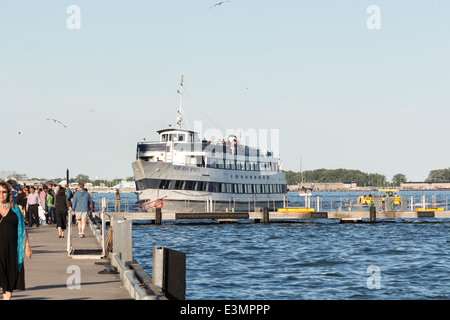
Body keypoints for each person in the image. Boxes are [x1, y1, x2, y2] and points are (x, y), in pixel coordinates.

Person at [0, 181, 32, 300]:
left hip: (12, 250)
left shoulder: (15, 209)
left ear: (8, 193)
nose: (1, 194)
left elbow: (23, 230)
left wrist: (27, 247)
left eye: (4, 192)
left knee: (9, 280)